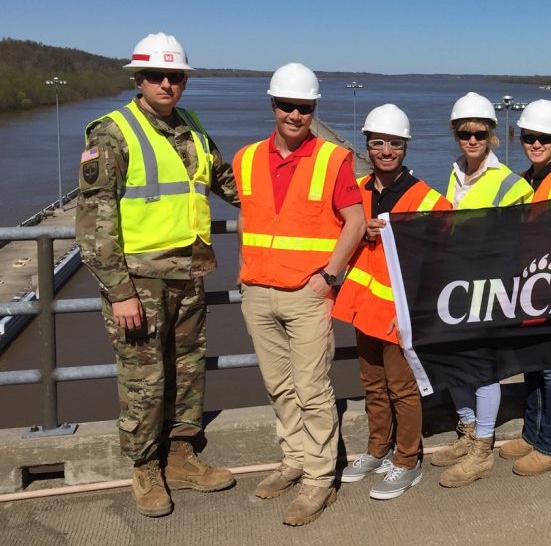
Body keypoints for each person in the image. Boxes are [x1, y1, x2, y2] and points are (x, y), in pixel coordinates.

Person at [76, 32, 238, 518]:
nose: (167, 84)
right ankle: (144, 467)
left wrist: (294, 206)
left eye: (176, 76)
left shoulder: (191, 125)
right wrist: (118, 291)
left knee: (186, 371)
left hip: (189, 273)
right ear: (138, 79)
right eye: (156, 76)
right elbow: (94, 219)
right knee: (144, 379)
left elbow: (225, 180)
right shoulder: (112, 132)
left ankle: (182, 454)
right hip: (139, 282)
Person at [233, 63, 365, 526]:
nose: (294, 115)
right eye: (287, 105)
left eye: (304, 108)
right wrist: (243, 269)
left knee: (312, 389)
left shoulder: (333, 159)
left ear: (313, 110)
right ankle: (293, 459)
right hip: (258, 290)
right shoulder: (246, 158)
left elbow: (355, 220)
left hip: (308, 293)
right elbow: (249, 218)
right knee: (279, 386)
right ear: (273, 105)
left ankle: (318, 479)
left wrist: (329, 275)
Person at [333, 104, 452, 500]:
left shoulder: (427, 199)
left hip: (400, 314)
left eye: (395, 144)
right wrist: (358, 229)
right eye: (378, 142)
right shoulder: (357, 192)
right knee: (373, 384)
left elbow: (445, 254)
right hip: (363, 307)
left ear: (406, 148)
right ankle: (376, 449)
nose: (386, 150)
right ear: (367, 144)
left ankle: (407, 460)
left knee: (403, 388)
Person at [432, 91, 534, 488]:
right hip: (453, 284)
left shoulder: (509, 183)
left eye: (478, 133)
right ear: (456, 134)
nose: (471, 140)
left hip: (489, 287)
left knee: (484, 368)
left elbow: (520, 242)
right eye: (464, 133)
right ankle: (468, 429)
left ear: (491, 135)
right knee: (454, 359)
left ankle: (483, 449)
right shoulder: (454, 172)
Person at [496, 100, 551, 477]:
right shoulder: (523, 181)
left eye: (543, 139)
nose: (536, 144)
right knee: (531, 366)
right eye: (530, 137)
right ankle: (532, 434)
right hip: (527, 289)